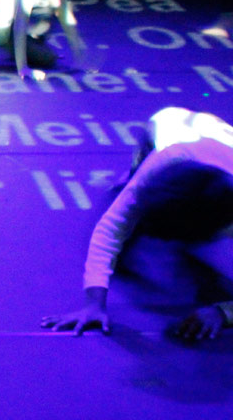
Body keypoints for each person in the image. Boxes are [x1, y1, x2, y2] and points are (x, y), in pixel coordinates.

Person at [42, 107, 233, 339]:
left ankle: (188, 247)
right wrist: (94, 303)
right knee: (127, 211)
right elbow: (111, 227)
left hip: (212, 150)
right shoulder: (164, 162)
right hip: (168, 125)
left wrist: (223, 312)